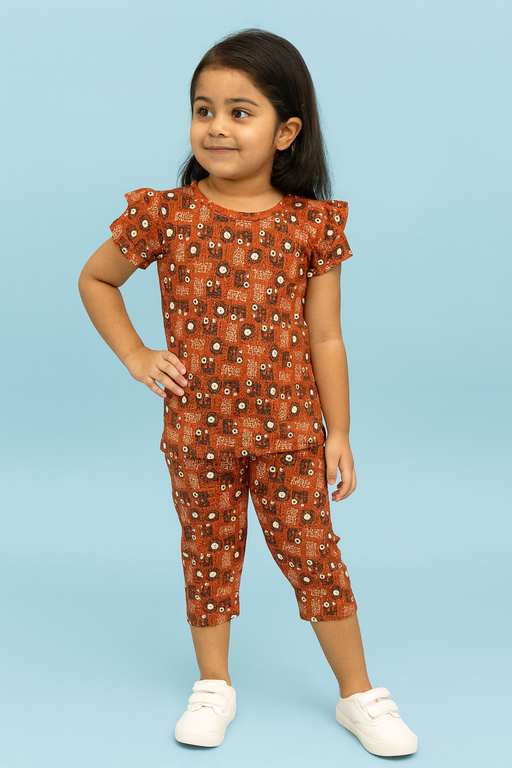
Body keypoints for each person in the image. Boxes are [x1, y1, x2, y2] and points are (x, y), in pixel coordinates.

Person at [78, 29, 418, 757]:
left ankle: (358, 694)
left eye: (240, 112)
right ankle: (214, 686)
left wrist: (338, 432)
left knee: (315, 555)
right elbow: (97, 278)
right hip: (197, 433)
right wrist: (136, 353)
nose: (217, 127)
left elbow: (326, 338)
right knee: (207, 552)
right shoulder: (164, 214)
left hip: (290, 433)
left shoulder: (311, 227)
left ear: (285, 131)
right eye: (204, 109)